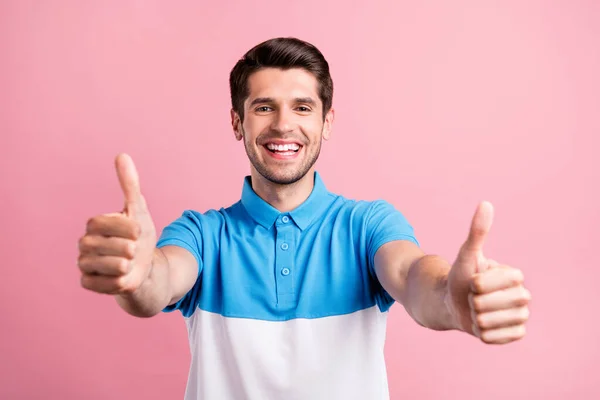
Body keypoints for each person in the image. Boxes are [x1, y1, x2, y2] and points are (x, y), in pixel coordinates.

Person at [77, 37, 531, 400]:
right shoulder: (202, 233)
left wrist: (454, 301)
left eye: (302, 107)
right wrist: (134, 277)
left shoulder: (367, 225)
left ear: (326, 122)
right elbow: (158, 281)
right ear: (238, 123)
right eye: (263, 107)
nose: (282, 125)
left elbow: (415, 277)